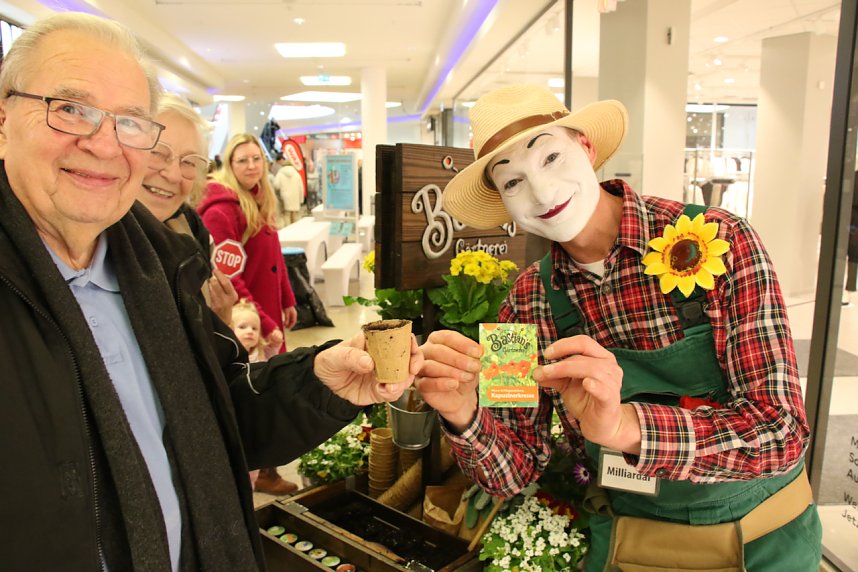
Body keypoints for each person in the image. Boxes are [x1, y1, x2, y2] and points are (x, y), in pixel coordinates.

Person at [0, 12, 422, 572]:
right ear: (4, 116)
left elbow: (221, 413)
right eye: (70, 109)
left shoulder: (160, 270)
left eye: (128, 121)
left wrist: (319, 379)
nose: (103, 144)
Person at [417, 85, 821, 571]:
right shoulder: (520, 306)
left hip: (764, 536)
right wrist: (464, 415)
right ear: (503, 203)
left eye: (550, 158)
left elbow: (780, 432)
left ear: (585, 147)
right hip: (632, 541)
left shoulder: (722, 239)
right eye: (513, 183)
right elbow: (513, 471)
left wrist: (626, 427)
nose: (542, 193)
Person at [136, 92, 237, 324]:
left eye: (189, 162)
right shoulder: (91, 247)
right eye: (157, 153)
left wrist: (218, 321)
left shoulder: (188, 228)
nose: (173, 175)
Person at [197, 132, 297, 356]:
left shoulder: (260, 199)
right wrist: (262, 323)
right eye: (242, 160)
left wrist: (287, 299)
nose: (251, 166)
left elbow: (275, 257)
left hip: (267, 308)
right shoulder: (221, 211)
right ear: (230, 164)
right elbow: (228, 277)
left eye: (256, 158)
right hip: (246, 321)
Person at [273, 155, 305, 227]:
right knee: (294, 214)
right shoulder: (297, 174)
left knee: (287, 214)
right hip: (295, 197)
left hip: (285, 197)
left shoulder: (280, 173)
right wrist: (301, 199)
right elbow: (301, 188)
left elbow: (276, 185)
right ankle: (294, 230)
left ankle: (288, 230)